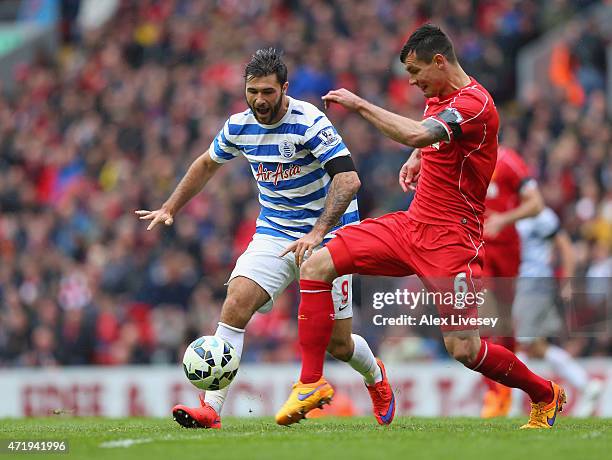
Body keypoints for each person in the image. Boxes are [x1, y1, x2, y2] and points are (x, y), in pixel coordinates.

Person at [275, 24, 565, 429]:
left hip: (452, 241)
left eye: (416, 72)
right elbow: (431, 141)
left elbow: (416, 133)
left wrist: (360, 105)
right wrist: (419, 158)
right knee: (317, 265)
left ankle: (545, 393)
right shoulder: (439, 97)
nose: (412, 82)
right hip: (411, 226)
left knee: (465, 349)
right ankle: (309, 382)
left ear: (440, 61)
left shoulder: (475, 103)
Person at [136, 49, 394, 429]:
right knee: (236, 303)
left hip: (330, 235)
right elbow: (207, 162)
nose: (259, 100)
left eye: (268, 92)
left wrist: (318, 232)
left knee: (338, 345)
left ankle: (377, 379)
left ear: (284, 89)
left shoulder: (308, 121)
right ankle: (211, 409)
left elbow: (349, 179)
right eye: (253, 91)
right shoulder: (239, 126)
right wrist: (171, 206)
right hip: (274, 231)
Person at [512, 207, 603, 417]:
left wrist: (567, 280)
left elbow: (564, 245)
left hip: (534, 282)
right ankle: (587, 386)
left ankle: (513, 404)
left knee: (522, 342)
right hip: (523, 282)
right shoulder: (512, 211)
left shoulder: (540, 214)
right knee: (536, 345)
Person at [480, 145, 544, 418]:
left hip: (506, 250)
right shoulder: (460, 158)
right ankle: (494, 394)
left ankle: (507, 390)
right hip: (474, 249)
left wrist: (503, 219)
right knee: (481, 319)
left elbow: (536, 203)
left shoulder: (508, 160)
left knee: (505, 325)